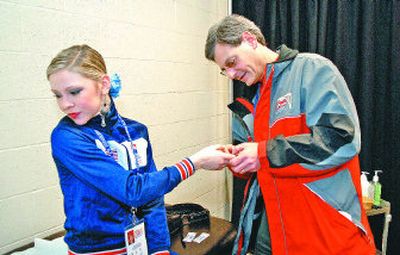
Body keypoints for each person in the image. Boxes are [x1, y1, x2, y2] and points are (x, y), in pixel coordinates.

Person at [205, 15, 376, 254]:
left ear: (250, 39)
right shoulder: (257, 98)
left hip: (327, 234)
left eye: (232, 62)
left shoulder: (312, 69)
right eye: (225, 70)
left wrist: (263, 154)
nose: (231, 74)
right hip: (282, 234)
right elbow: (271, 161)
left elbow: (341, 140)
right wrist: (241, 161)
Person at [47, 44, 234, 255]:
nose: (65, 104)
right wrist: (194, 163)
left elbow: (152, 197)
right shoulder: (67, 137)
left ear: (104, 84)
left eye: (74, 92)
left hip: (139, 243)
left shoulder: (135, 130)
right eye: (57, 95)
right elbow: (133, 191)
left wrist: (159, 249)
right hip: (96, 250)